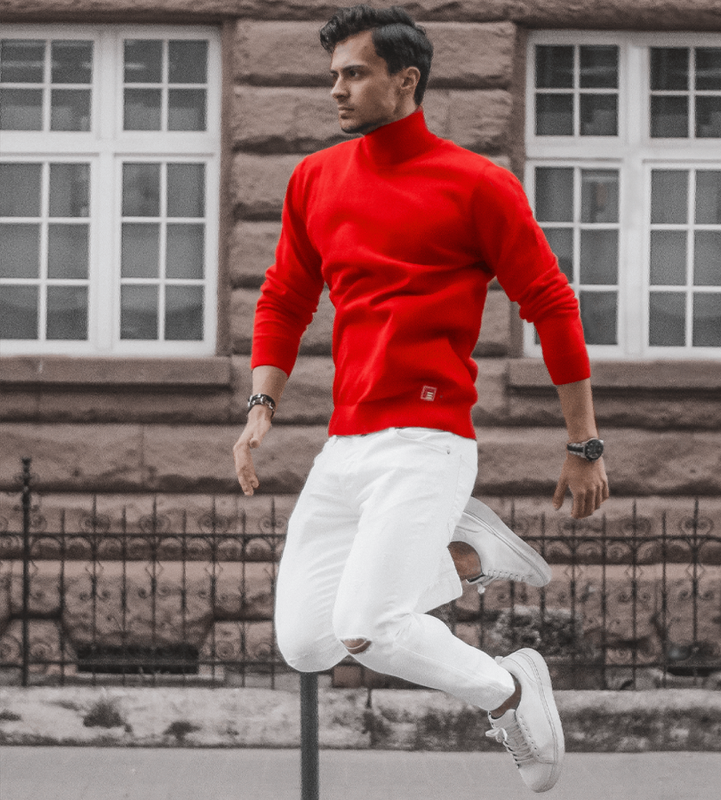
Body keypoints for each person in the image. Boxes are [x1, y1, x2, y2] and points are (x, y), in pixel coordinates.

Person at [233, 5, 609, 793]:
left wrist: (583, 444)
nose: (337, 89)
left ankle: (510, 691)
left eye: (354, 74)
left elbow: (550, 304)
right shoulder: (314, 179)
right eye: (333, 75)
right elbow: (285, 297)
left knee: (368, 626)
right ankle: (467, 558)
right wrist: (261, 405)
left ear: (405, 81)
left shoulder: (477, 184)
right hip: (346, 446)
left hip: (428, 440)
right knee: (307, 642)